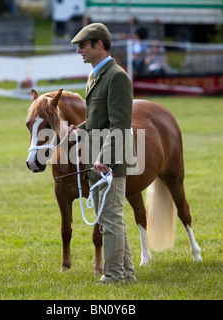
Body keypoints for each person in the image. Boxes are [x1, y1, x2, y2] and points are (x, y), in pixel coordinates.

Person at [68, 23, 136, 284]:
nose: (78, 50)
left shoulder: (116, 76)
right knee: (109, 220)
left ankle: (113, 276)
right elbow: (100, 120)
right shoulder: (96, 75)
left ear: (98, 45)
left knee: (111, 220)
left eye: (82, 45)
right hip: (97, 162)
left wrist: (104, 158)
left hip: (109, 163)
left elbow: (120, 125)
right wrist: (80, 128)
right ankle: (126, 275)